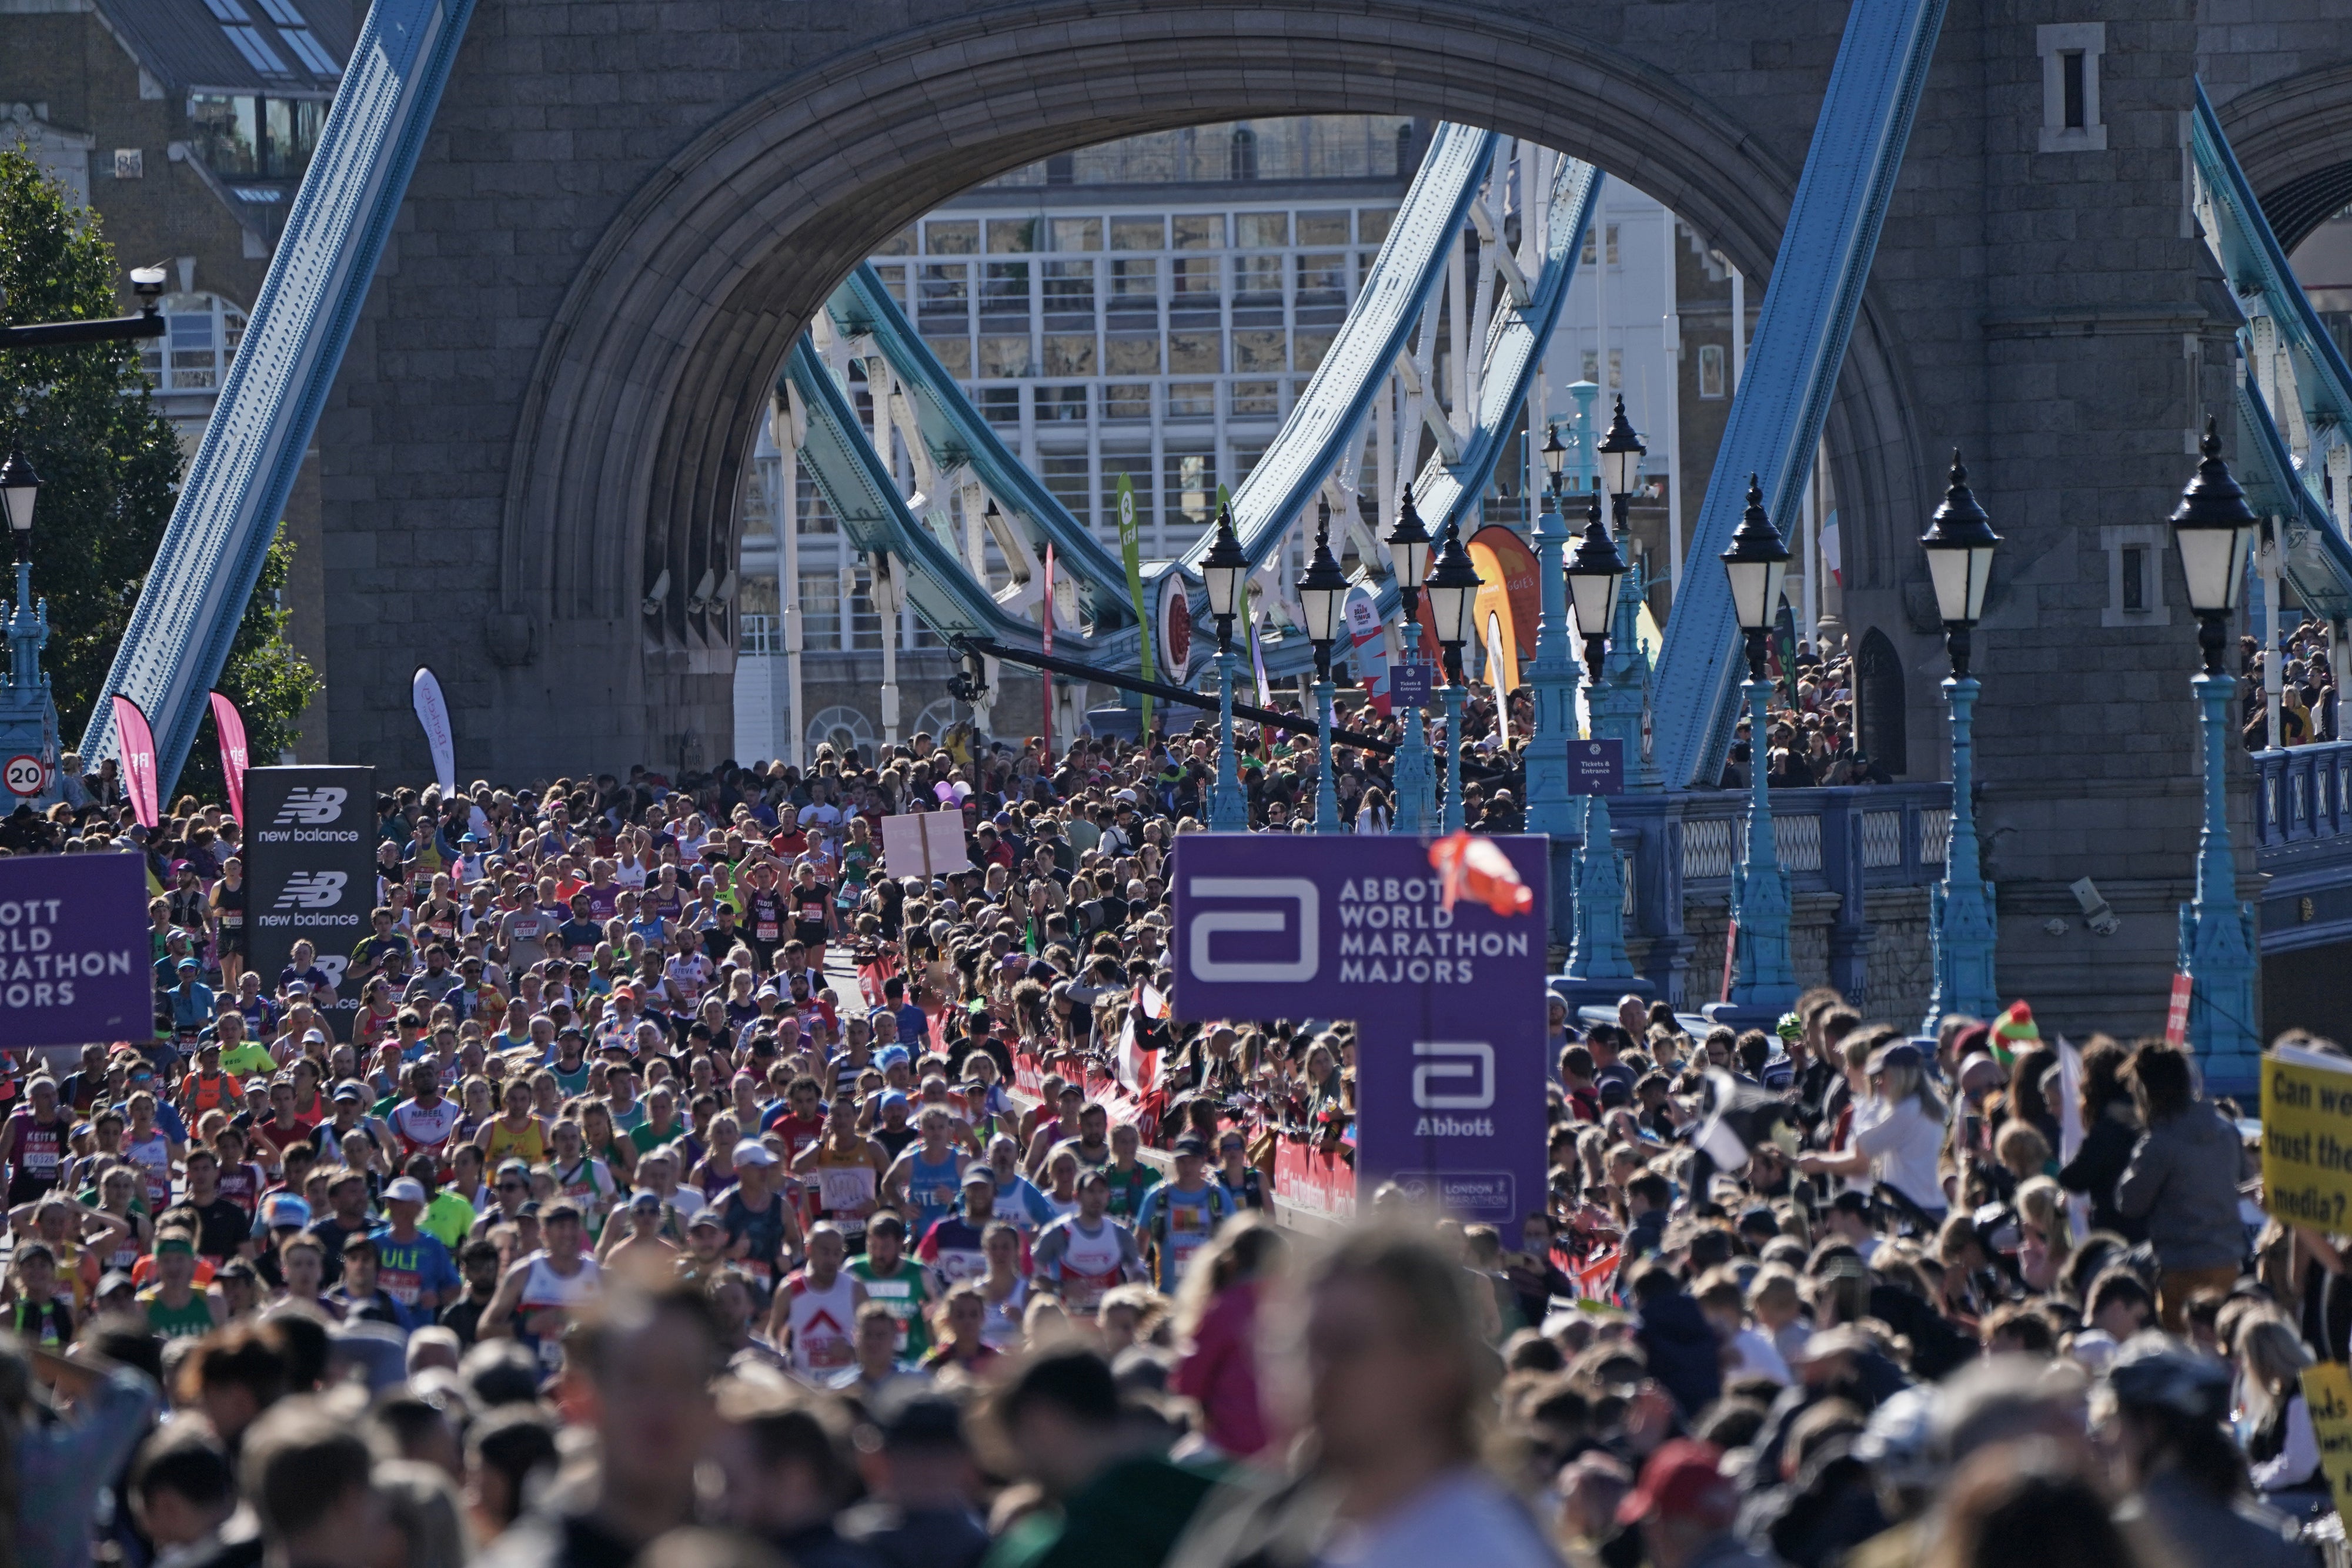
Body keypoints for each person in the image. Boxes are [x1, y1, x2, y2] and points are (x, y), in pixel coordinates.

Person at [988, 1348, 1220, 1568]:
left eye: (1018, 1442)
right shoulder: (1231, 1497)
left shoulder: (1052, 1551)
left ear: (1041, 1421)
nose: (1022, 1465)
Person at [2113, 1043, 2248, 1330]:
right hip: (2229, 1263)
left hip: (2182, 1267)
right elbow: (2243, 1178)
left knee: (2186, 1353)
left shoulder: (2159, 1143)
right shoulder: (2226, 1128)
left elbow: (2130, 1203)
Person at [1170, 1218, 1279, 1459]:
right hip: (1291, 1453)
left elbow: (1188, 1383)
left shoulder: (1224, 1308)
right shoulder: (1299, 1307)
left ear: (1231, 1262)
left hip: (1231, 1448)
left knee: (1178, 1465)